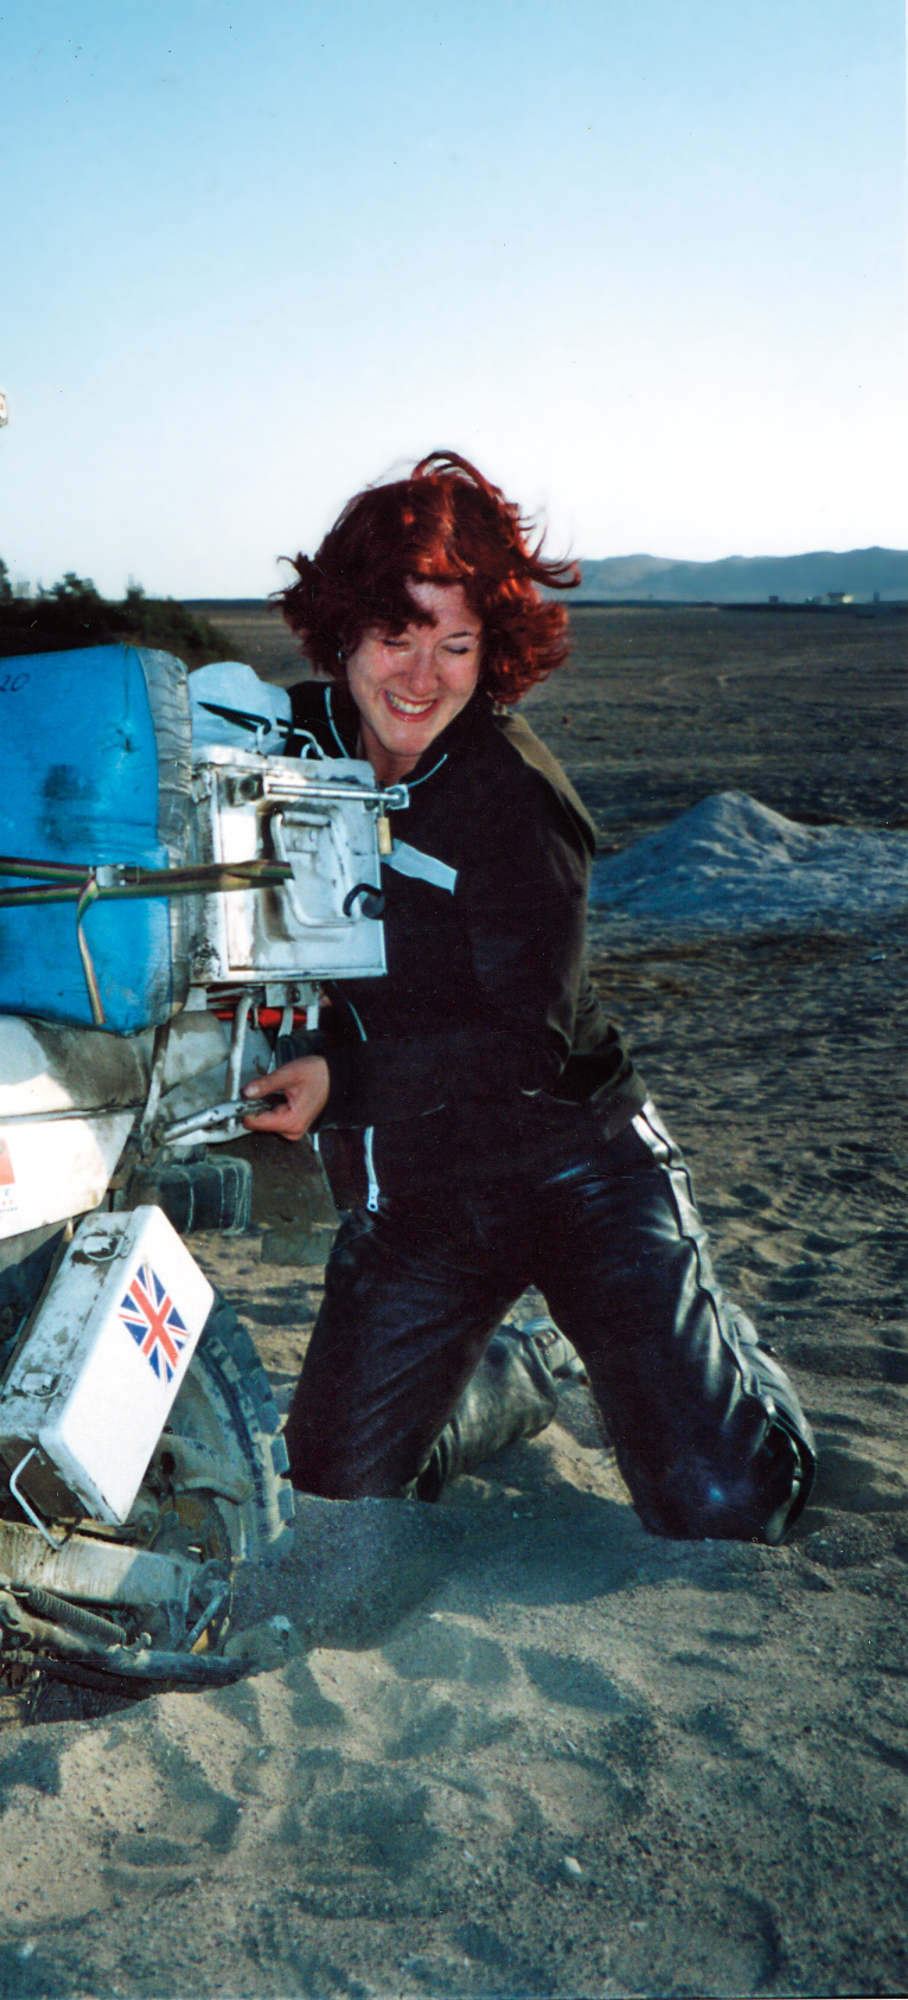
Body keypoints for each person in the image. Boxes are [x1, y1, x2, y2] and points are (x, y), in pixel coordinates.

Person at [240, 451, 815, 1542]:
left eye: (455, 645)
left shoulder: (517, 801)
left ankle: (722, 1369)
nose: (420, 677)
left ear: (492, 650)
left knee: (721, 1501)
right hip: (421, 1196)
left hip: (579, 1168)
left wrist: (341, 1079)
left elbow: (525, 1045)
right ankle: (509, 1374)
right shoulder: (289, 744)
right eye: (395, 636)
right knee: (335, 1491)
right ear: (343, 631)